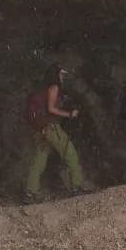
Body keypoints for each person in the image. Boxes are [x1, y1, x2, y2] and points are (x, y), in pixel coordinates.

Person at [24, 66, 91, 204]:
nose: (62, 76)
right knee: (70, 154)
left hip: (43, 129)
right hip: (52, 129)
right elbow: (51, 109)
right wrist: (69, 114)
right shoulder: (54, 88)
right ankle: (76, 187)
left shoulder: (44, 88)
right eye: (61, 74)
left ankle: (30, 193)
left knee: (39, 160)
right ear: (55, 75)